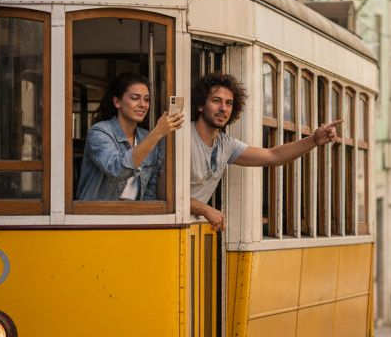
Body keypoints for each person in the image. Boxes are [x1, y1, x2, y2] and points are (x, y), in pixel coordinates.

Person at [188, 72, 341, 231]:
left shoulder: (225, 145)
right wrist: (204, 209)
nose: (223, 108)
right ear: (200, 104)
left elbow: (272, 156)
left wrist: (313, 140)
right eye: (216, 101)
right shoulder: (182, 139)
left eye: (229, 103)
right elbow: (165, 198)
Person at [76, 72, 184, 201]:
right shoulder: (99, 132)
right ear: (117, 102)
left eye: (147, 99)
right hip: (98, 215)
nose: (143, 104)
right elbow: (117, 169)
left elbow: (150, 189)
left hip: (135, 215)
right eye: (135, 98)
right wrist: (157, 133)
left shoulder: (146, 137)